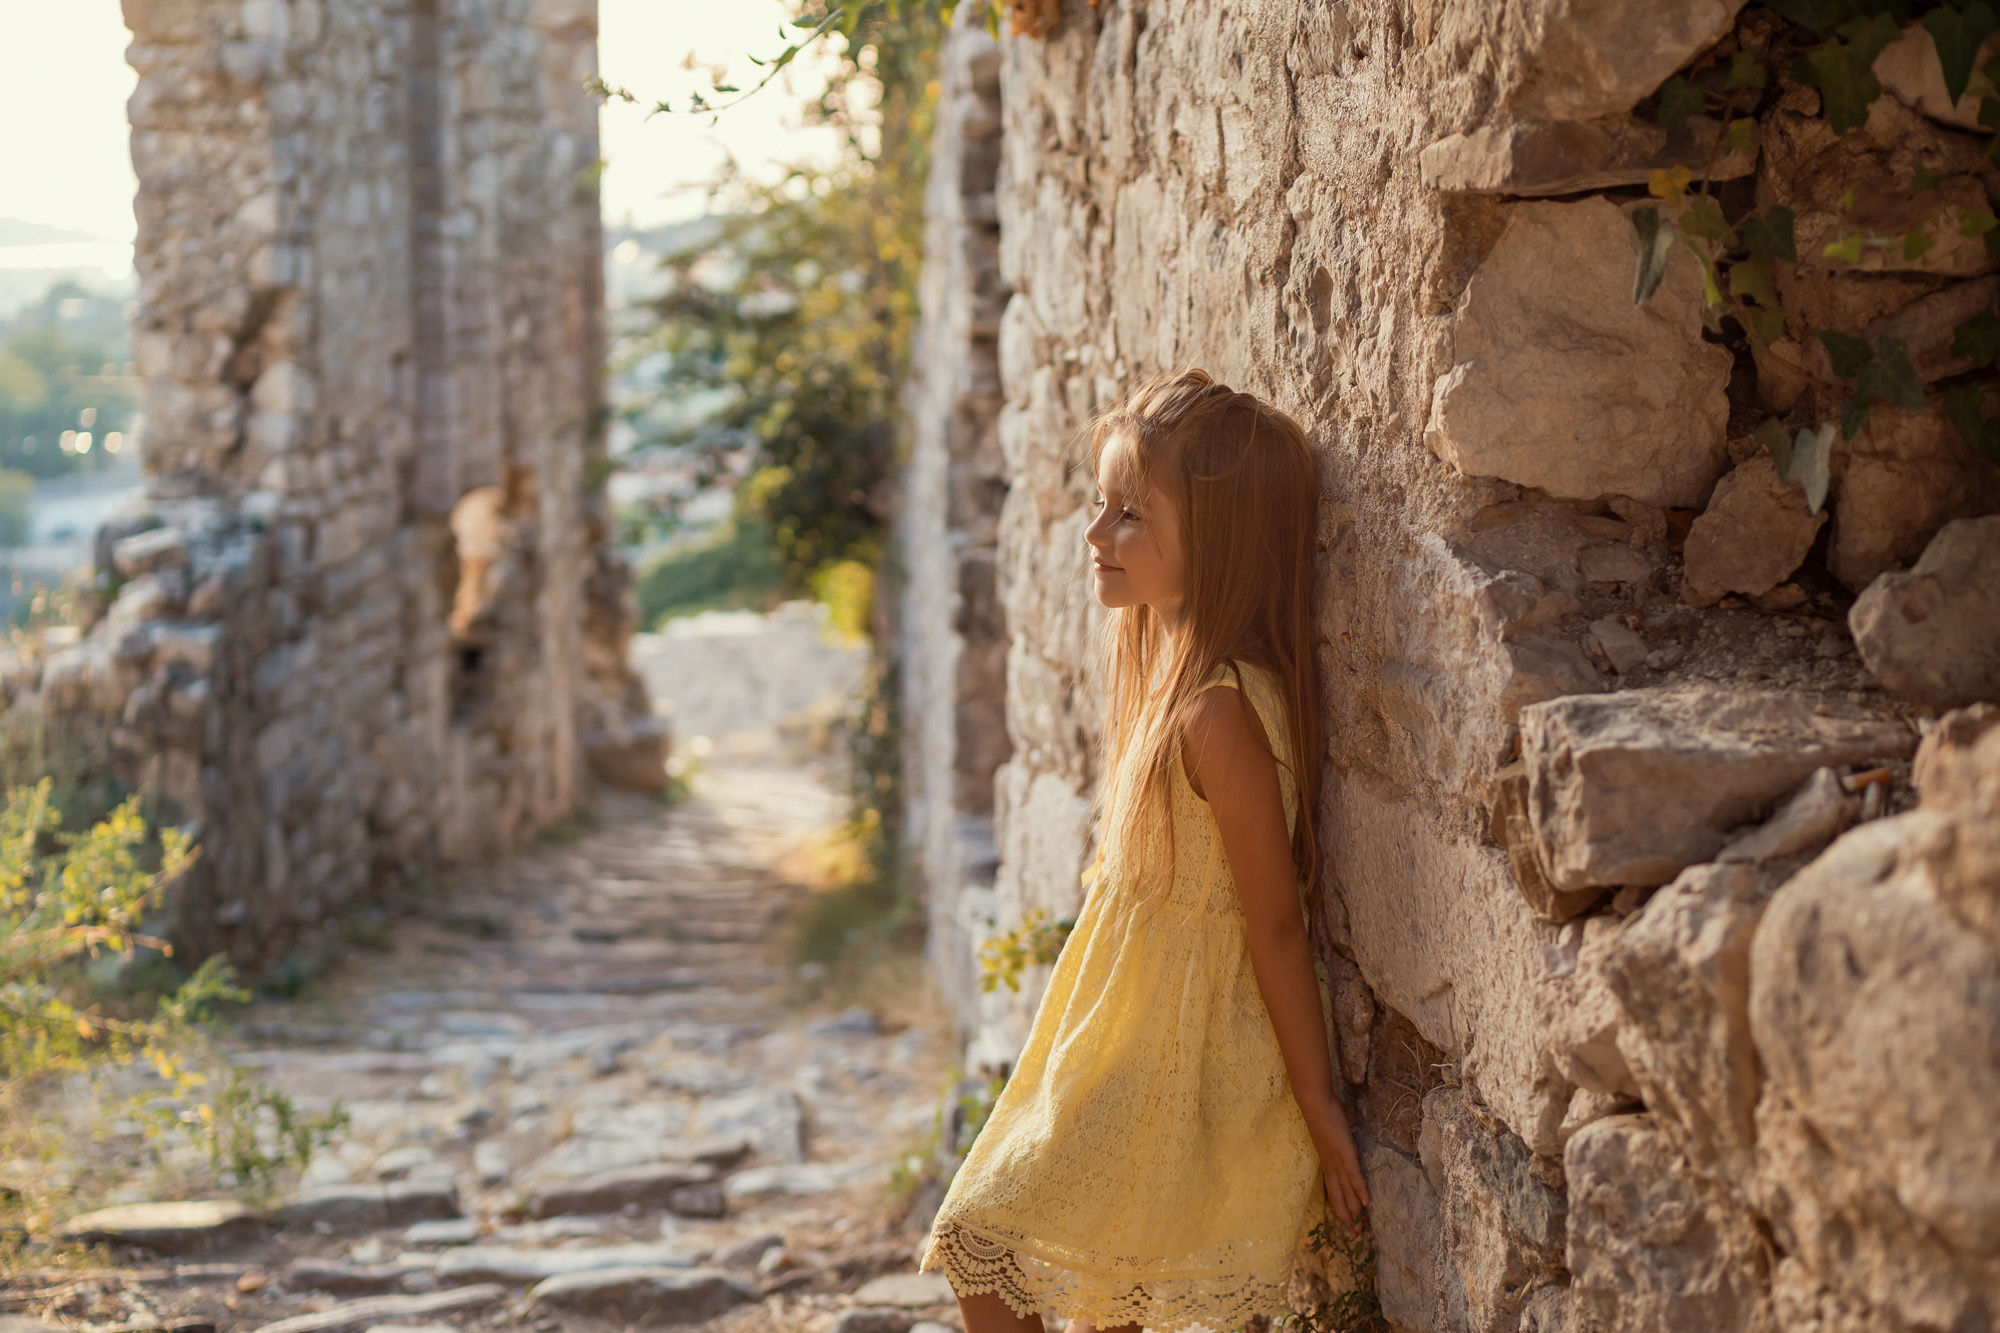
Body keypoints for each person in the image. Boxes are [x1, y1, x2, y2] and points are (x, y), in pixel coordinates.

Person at [920, 369, 1371, 1333]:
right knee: (1096, 1296)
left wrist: (1317, 1100)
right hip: (1121, 1042)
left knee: (980, 1240)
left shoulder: (1219, 714)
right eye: (1101, 504)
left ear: (1219, 540)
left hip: (1174, 1061)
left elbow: (1275, 922)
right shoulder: (1170, 681)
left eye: (1130, 514)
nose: (1096, 534)